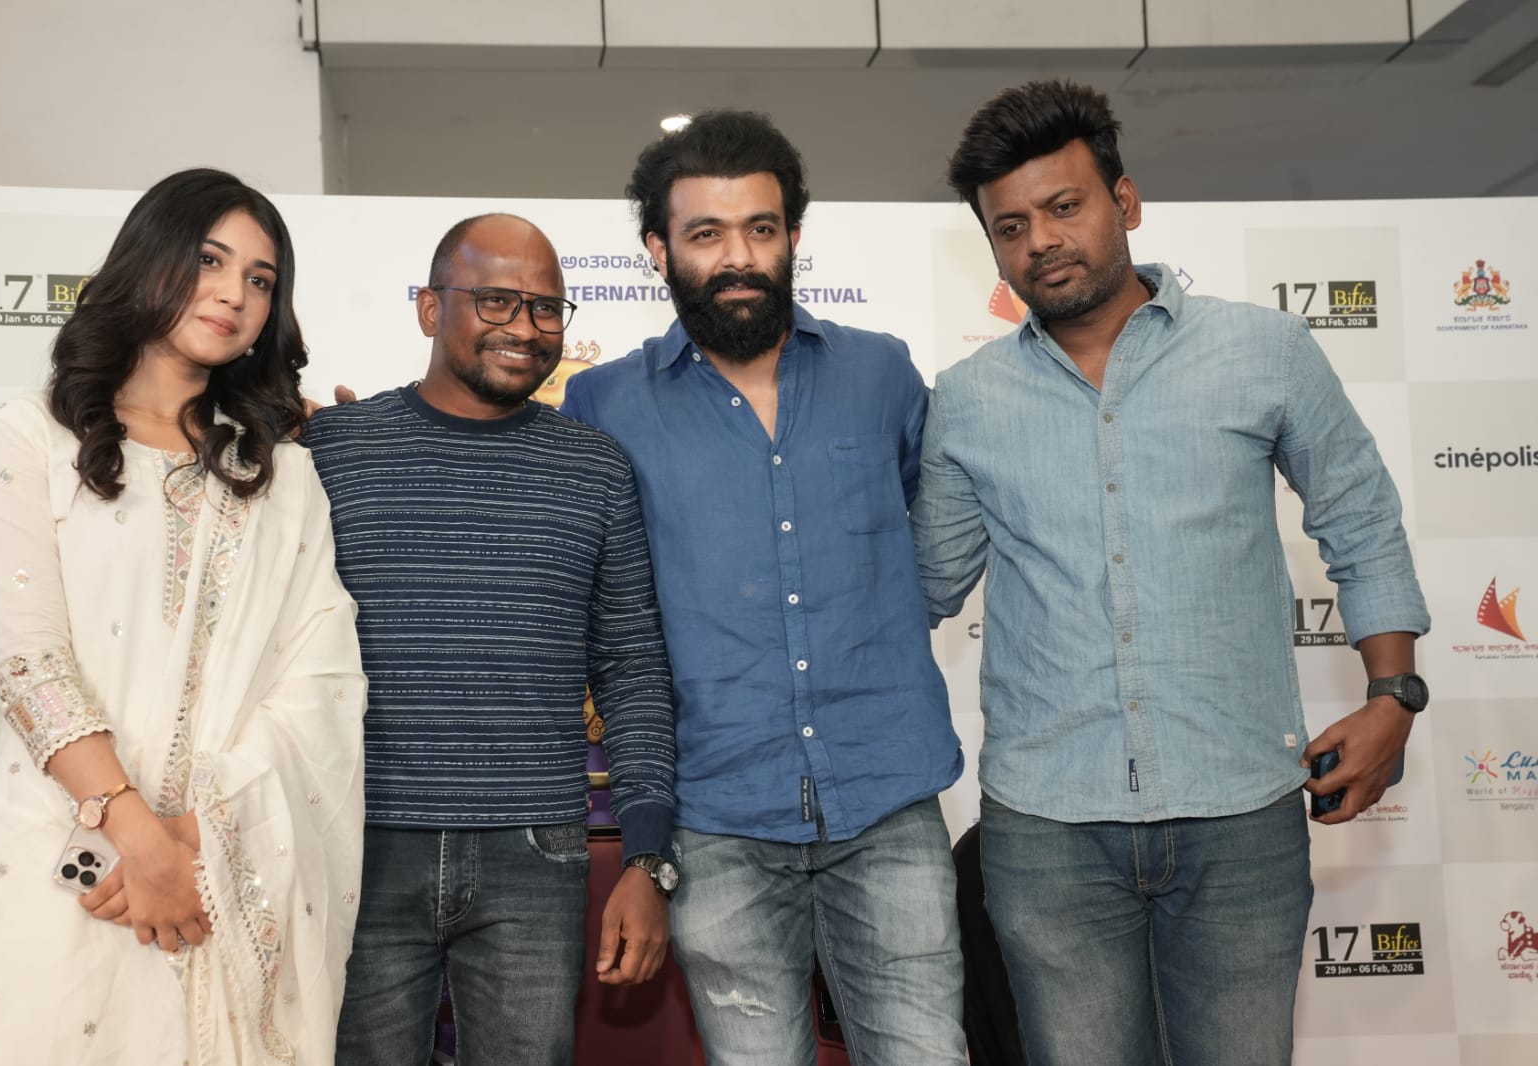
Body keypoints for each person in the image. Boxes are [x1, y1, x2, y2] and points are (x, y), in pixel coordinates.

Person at [913, 80, 1431, 1066]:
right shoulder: (967, 400)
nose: (1041, 240)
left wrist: (1393, 694)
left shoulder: (1264, 351)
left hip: (1240, 809)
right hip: (1048, 828)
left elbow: (1361, 522)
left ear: (1125, 200)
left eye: (1064, 206)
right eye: (1011, 227)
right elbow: (924, 584)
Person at [561, 111, 967, 1066]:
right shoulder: (603, 403)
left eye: (761, 229)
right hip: (716, 815)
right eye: (705, 233)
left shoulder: (881, 373)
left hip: (887, 799)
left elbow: (933, 539)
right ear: (659, 250)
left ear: (793, 237)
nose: (737, 256)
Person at [0, 168, 367, 1063]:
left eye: (260, 279)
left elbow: (318, 682)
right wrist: (140, 839)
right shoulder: (30, 437)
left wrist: (197, 841)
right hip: (59, 871)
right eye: (210, 260)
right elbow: (26, 662)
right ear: (148, 258)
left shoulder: (283, 477)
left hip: (222, 878)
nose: (234, 293)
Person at [305, 213, 677, 1066]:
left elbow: (631, 669)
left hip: (535, 850)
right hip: (358, 840)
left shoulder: (597, 468)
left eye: (546, 308)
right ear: (430, 308)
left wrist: (649, 856)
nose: (526, 327)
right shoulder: (330, 450)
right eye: (497, 300)